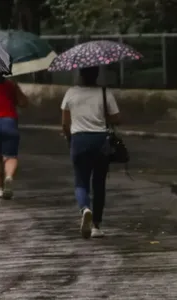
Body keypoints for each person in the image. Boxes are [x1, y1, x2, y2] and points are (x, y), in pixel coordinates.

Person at [60, 66, 120, 239]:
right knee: (99, 183)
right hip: (101, 141)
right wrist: (101, 116)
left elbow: (65, 123)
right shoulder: (104, 92)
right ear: (96, 75)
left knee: (81, 181)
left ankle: (85, 208)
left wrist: (70, 138)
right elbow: (117, 118)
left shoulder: (71, 93)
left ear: (80, 75)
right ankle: (96, 226)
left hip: (79, 140)